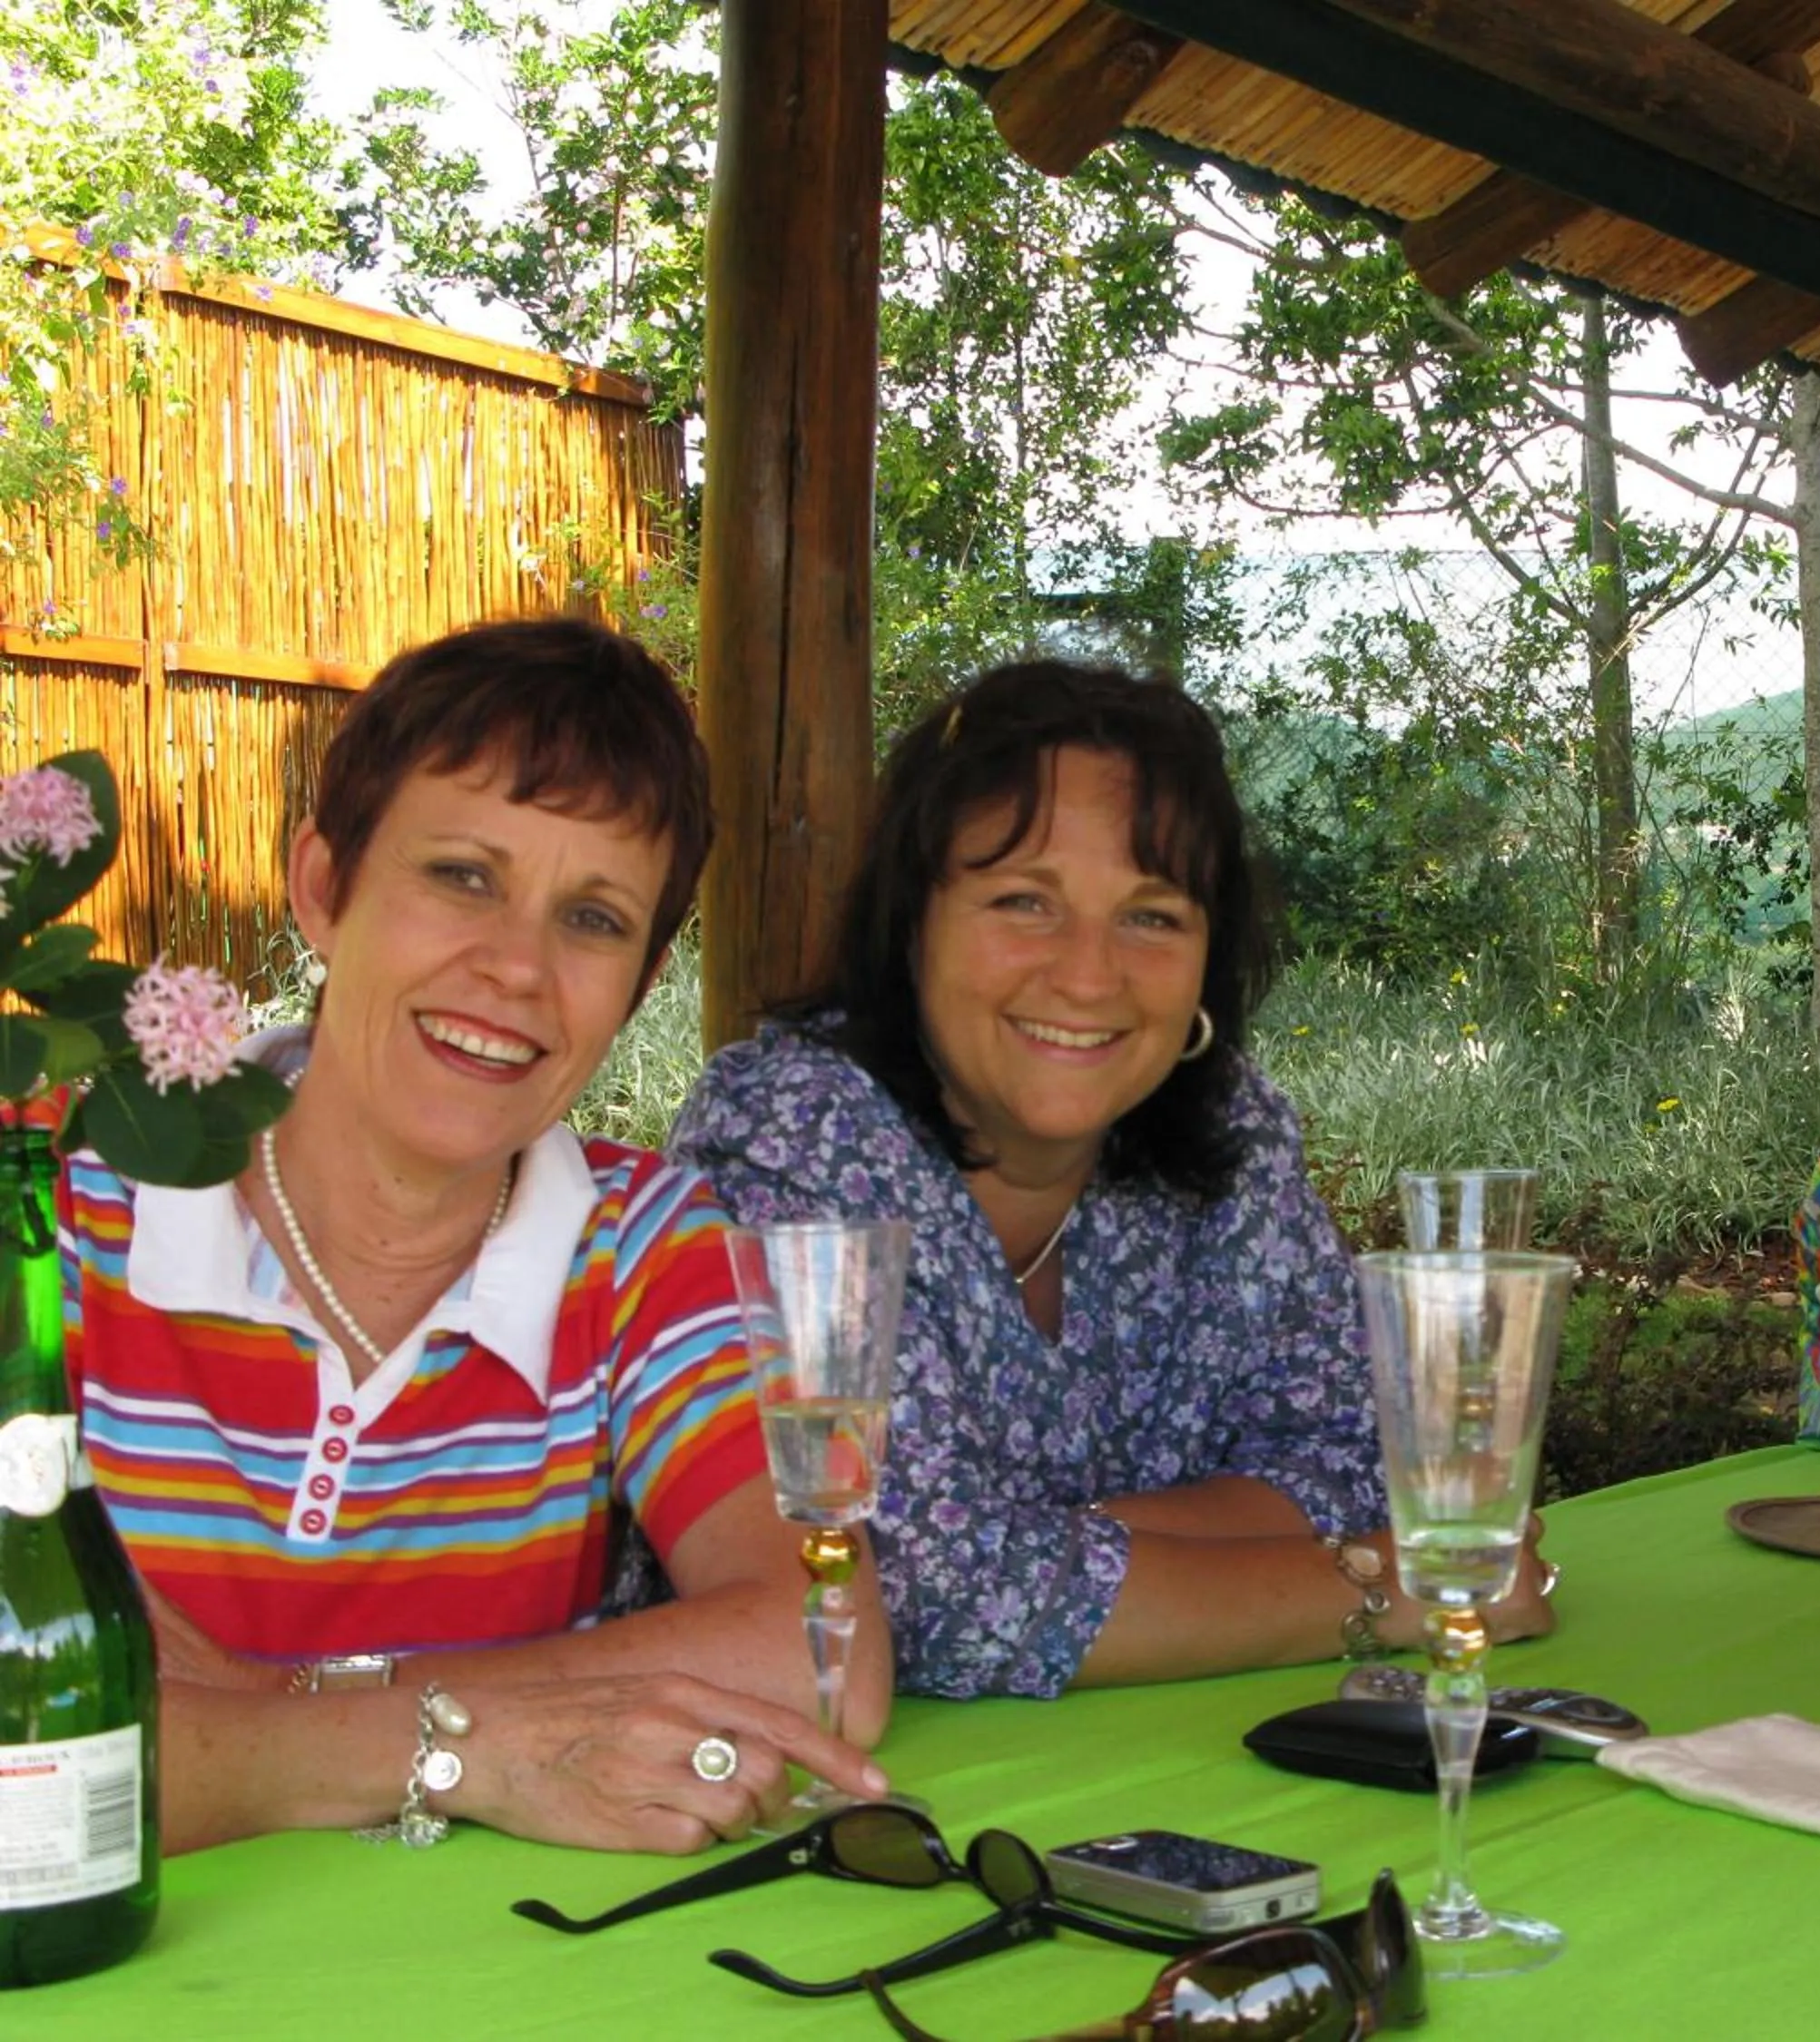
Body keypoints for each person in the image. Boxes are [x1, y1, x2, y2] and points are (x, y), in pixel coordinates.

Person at [67, 617, 891, 1854]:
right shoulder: (63, 1202)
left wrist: (255, 1712)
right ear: (323, 886)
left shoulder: (638, 1243)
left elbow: (820, 1647)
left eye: (595, 920)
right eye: (463, 875)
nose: (516, 966)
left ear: (643, 979)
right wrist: (459, 1748)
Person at [669, 659, 1556, 1699]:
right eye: (1022, 901)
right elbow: (892, 1587)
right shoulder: (789, 1136)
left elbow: (1364, 1463)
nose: (1089, 975)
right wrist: (1381, 1596)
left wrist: (1025, 1548)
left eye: (1152, 916)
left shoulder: (1232, 1135)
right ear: (911, 925)